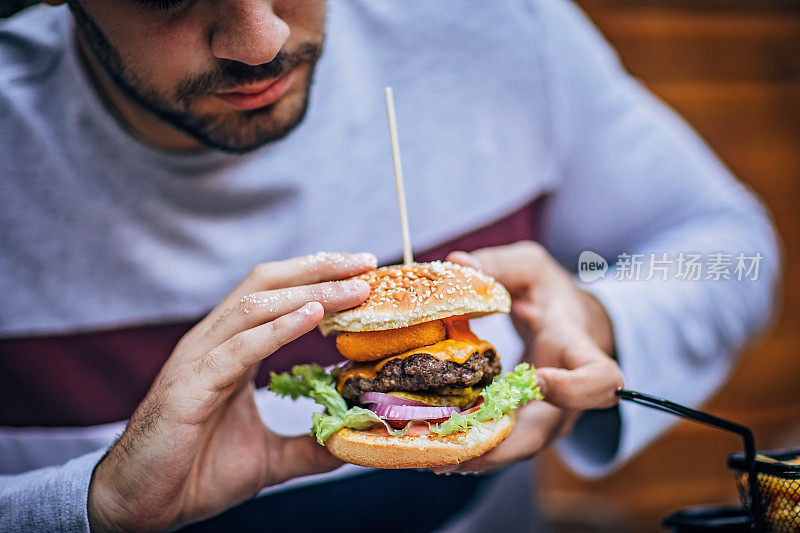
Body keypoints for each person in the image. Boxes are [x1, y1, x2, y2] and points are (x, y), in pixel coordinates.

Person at [0, 0, 779, 531]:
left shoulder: (492, 26)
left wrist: (600, 315)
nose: (262, 39)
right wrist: (93, 504)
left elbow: (730, 246)